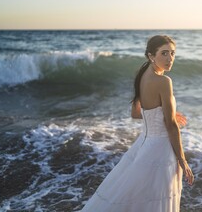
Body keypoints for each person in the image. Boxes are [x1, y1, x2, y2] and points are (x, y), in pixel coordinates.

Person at [81, 35, 194, 212]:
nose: (169, 58)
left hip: (145, 143)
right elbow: (171, 126)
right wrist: (182, 160)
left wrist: (162, 114)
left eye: (172, 53)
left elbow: (136, 113)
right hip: (161, 148)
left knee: (138, 199)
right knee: (157, 200)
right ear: (151, 56)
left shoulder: (141, 75)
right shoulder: (164, 81)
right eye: (164, 53)